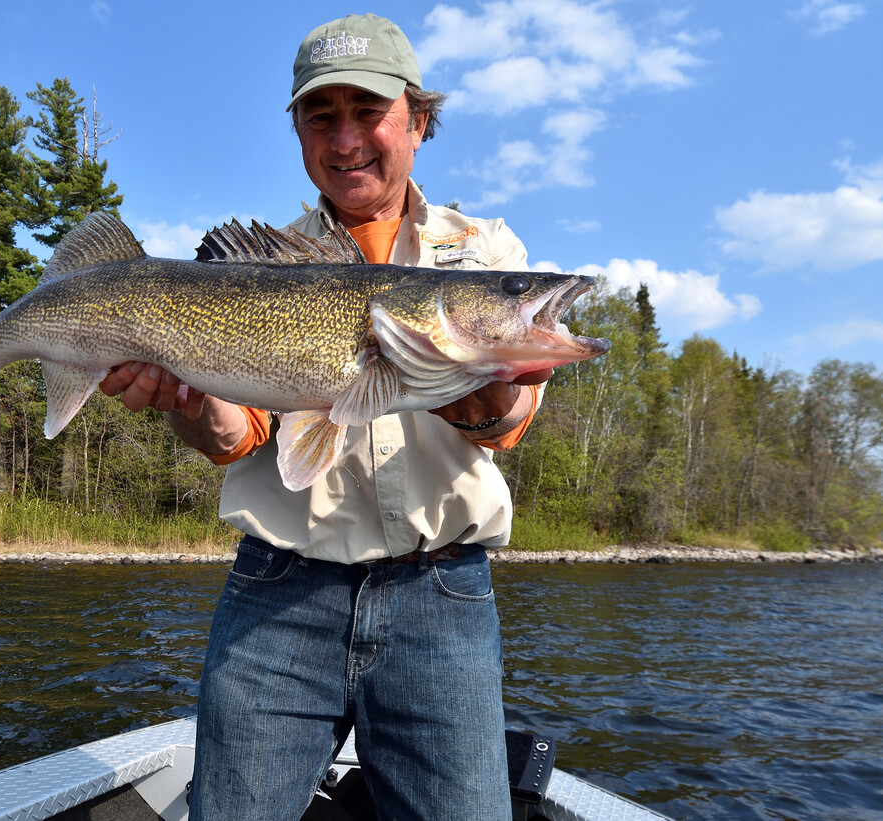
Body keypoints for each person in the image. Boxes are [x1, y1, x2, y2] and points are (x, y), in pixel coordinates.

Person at [100, 13, 551, 820]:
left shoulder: (485, 252)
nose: (345, 139)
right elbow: (238, 436)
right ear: (300, 130)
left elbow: (505, 420)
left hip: (440, 597)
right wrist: (188, 400)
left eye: (367, 111)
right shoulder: (264, 264)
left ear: (417, 119)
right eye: (321, 114)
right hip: (278, 591)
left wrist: (440, 352)